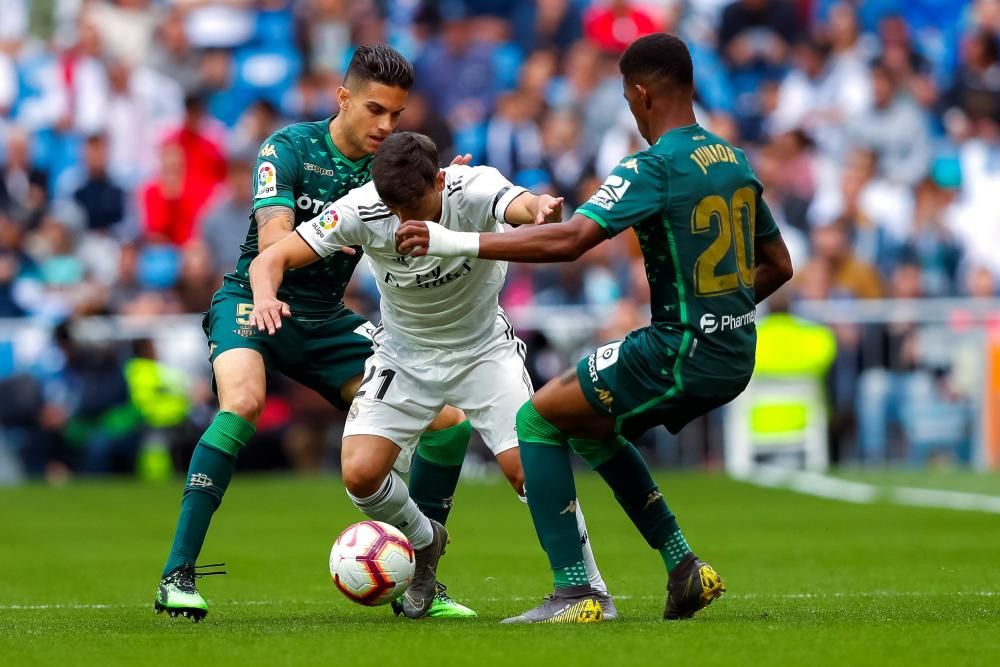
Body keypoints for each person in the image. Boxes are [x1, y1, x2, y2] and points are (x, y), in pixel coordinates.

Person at [395, 33, 794, 623]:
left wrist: (455, 240)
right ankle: (684, 566)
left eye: (627, 99)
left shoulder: (653, 167)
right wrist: (725, 311)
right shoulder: (735, 160)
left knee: (536, 416)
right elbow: (779, 265)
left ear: (639, 94)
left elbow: (574, 239)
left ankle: (577, 592)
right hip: (733, 349)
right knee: (585, 422)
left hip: (678, 348)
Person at [154, 45, 473, 622]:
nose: (386, 126)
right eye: (375, 110)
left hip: (327, 319)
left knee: (446, 423)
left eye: (396, 116)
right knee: (243, 402)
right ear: (343, 98)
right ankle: (177, 575)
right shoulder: (287, 148)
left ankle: (424, 581)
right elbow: (274, 235)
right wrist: (292, 267)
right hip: (254, 300)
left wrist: (448, 198)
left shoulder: (389, 168)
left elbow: (433, 220)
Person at [248, 132, 614, 620]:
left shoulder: (473, 187)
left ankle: (589, 590)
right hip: (403, 357)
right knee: (359, 475)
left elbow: (526, 207)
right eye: (394, 208)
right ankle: (427, 541)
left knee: (528, 469)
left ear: (440, 181)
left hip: (483, 351)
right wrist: (267, 296)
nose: (404, 221)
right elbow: (270, 258)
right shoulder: (362, 207)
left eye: (414, 205)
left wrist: (542, 207)